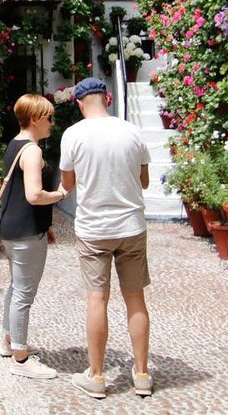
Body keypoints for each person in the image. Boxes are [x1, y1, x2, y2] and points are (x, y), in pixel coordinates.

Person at [59, 77, 153, 399]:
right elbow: (144, 181)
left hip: (93, 229)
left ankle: (97, 377)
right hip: (130, 226)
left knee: (97, 299)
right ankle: (142, 374)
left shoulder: (73, 135)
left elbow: (67, 184)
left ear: (80, 103)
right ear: (108, 99)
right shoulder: (132, 131)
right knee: (135, 298)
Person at [0, 94, 68, 379]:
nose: (51, 123)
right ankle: (21, 358)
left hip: (12, 229)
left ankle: (8, 342)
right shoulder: (33, 151)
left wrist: (46, 223)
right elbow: (34, 195)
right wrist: (61, 194)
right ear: (36, 119)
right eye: (49, 118)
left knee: (16, 288)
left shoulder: (15, 145)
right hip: (26, 233)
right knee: (24, 294)